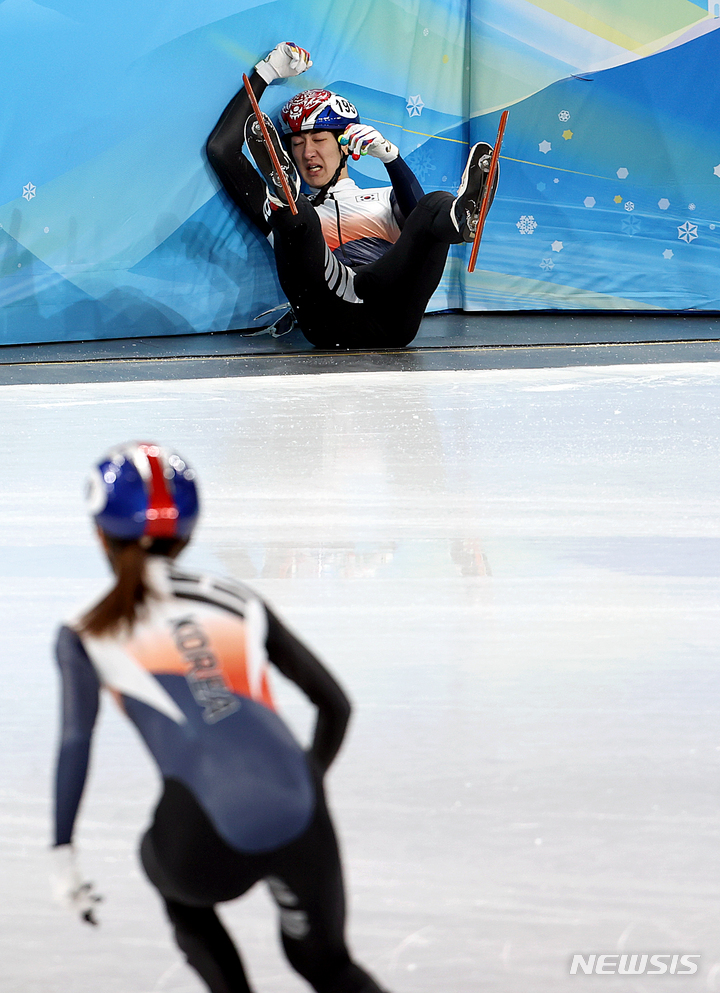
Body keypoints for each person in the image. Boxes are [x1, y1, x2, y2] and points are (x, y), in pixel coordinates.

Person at [51, 441, 391, 993]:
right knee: (325, 965)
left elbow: (75, 743)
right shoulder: (236, 598)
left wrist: (62, 856)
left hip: (202, 843)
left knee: (164, 872)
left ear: (99, 533)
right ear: (188, 530)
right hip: (302, 813)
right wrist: (300, 785)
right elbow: (336, 705)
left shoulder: (86, 631)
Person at [206, 41, 498, 349]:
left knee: (433, 204)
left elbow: (418, 222)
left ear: (345, 145)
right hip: (326, 316)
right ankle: (281, 191)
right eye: (297, 144)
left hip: (390, 310)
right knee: (297, 214)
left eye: (318, 139)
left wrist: (391, 158)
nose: (308, 153)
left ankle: (463, 218)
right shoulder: (293, 211)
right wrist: (265, 73)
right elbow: (221, 150)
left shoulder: (385, 197)